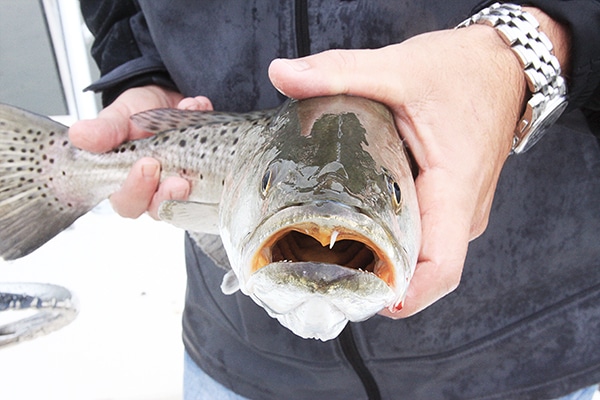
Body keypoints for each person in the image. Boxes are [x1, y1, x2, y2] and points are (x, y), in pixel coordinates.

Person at [72, 1, 600, 399]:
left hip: (539, 358)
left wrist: (529, 49)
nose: (324, 227)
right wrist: (142, 68)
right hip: (237, 365)